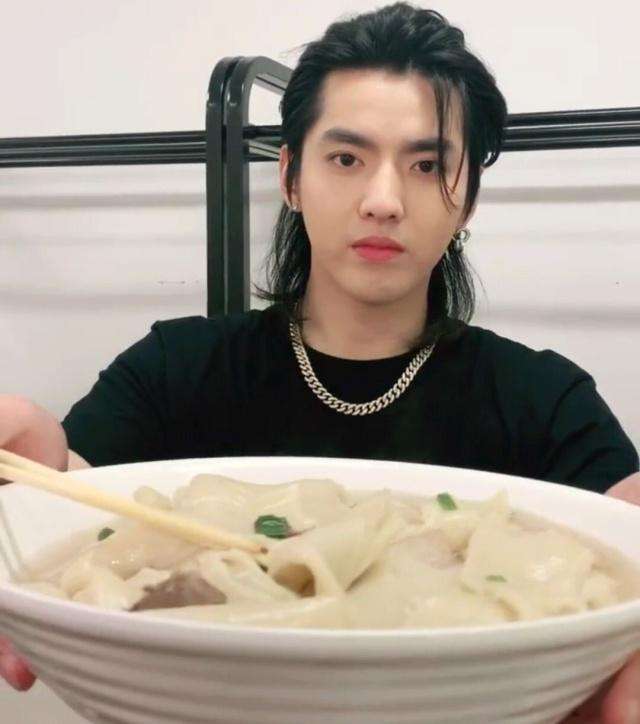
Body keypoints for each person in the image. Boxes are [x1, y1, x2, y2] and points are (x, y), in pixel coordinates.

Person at [1, 3, 638, 721]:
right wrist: (27, 465)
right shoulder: (176, 369)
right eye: (346, 159)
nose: (383, 200)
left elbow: (622, 524)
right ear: (291, 178)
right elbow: (73, 502)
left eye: (428, 165)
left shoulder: (542, 398)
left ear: (467, 202)